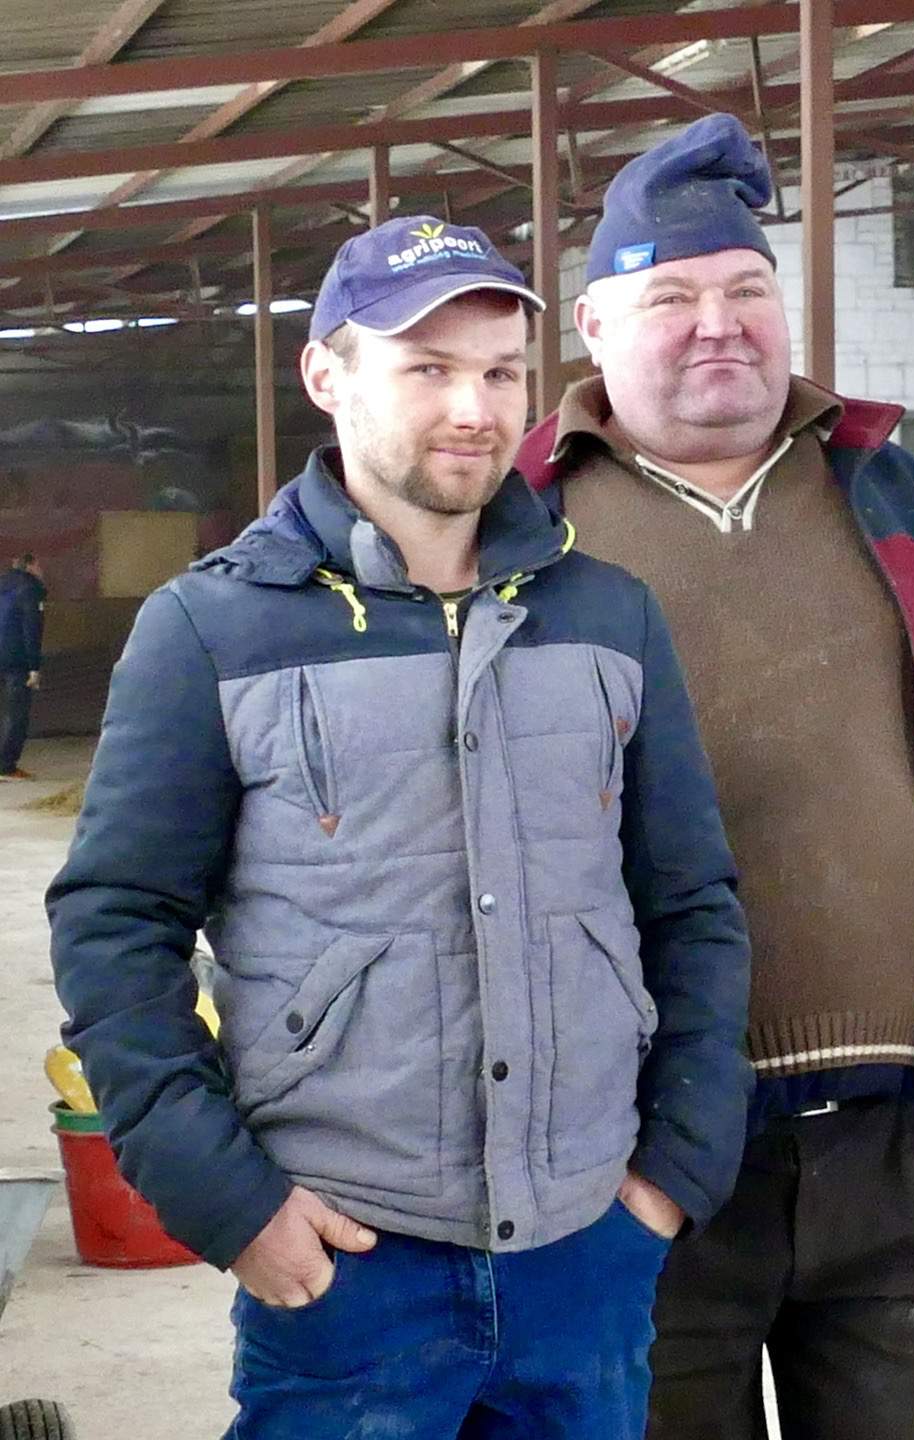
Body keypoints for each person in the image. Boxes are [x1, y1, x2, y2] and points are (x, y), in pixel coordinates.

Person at [47, 215, 753, 1439]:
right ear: (328, 375)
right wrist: (230, 1204)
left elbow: (692, 903)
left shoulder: (608, 616)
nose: (473, 408)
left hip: (586, 1251)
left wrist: (671, 1179)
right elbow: (115, 927)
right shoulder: (211, 629)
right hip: (346, 1263)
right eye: (426, 369)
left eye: (497, 371)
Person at [514, 114, 914, 1440]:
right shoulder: (520, 526)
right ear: (595, 325)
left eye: (747, 290)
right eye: (673, 297)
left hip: (888, 1131)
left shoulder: (903, 501)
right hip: (634, 1143)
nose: (719, 324)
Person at [0, 552, 44, 779]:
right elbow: (31, 629)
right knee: (15, 713)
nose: (41, 571)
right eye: (39, 566)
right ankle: (6, 765)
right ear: (30, 566)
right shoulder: (30, 588)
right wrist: (34, 667)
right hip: (16, 660)